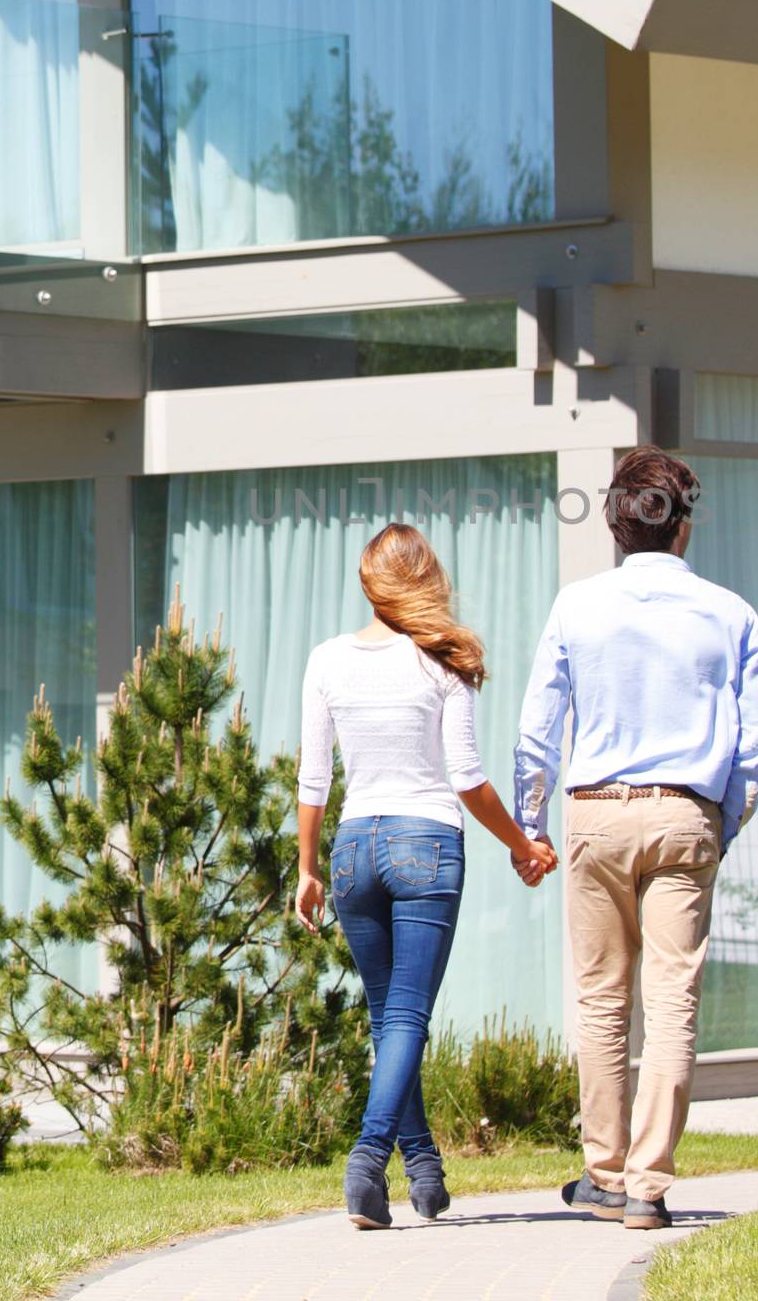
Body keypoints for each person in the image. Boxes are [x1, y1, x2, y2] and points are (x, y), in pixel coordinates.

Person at [512, 446, 758, 1231]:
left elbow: (536, 732)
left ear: (618, 529)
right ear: (682, 528)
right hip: (684, 813)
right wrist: (718, 825)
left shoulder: (576, 607)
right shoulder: (731, 615)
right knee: (672, 1002)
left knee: (600, 1002)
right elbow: (752, 753)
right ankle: (649, 1188)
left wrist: (532, 824)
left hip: (594, 811)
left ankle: (604, 1173)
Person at [294, 522, 558, 1230]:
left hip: (352, 849)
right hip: (426, 843)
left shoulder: (327, 660)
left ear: (367, 581)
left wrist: (307, 869)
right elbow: (467, 779)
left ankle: (426, 1172)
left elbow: (314, 778)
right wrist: (523, 844)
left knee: (390, 1020)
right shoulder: (446, 658)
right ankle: (367, 1159)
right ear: (427, 579)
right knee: (407, 1018)